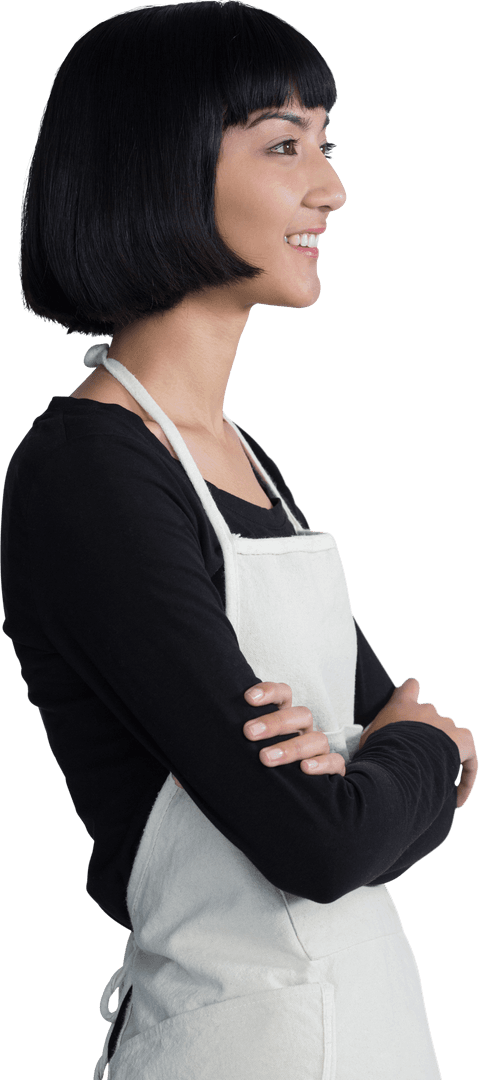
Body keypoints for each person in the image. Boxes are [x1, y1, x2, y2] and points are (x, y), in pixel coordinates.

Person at [1, 3, 476, 1078]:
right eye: (281, 144)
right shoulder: (87, 474)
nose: (330, 187)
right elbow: (325, 841)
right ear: (156, 168)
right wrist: (425, 751)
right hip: (236, 1041)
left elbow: (359, 785)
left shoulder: (239, 457)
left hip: (367, 1025)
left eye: (324, 142)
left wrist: (374, 766)